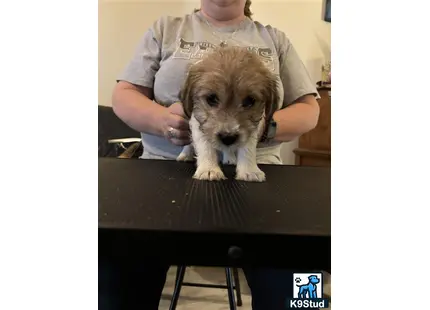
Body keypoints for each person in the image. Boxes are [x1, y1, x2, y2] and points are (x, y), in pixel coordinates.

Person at [103, 1, 321, 309]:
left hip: (262, 181)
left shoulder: (275, 39)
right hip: (162, 177)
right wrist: (166, 122)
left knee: (303, 286)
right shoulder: (166, 28)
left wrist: (262, 128)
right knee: (110, 278)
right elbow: (124, 96)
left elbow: (310, 110)